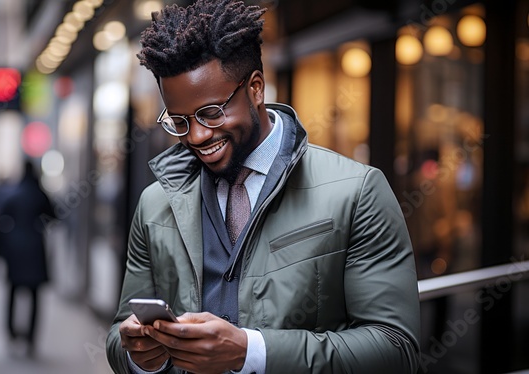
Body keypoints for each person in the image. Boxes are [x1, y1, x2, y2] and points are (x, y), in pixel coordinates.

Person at [106, 2, 420, 373]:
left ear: (256, 88)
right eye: (179, 121)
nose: (197, 135)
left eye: (211, 113)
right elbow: (119, 336)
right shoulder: (154, 204)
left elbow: (395, 350)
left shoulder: (357, 192)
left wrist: (250, 351)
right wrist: (139, 355)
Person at [0, 160, 56, 357]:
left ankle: (11, 333)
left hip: (15, 248)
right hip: (35, 247)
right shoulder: (40, 194)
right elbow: (54, 215)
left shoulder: (12, 193)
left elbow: (0, 218)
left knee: (12, 291)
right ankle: (31, 338)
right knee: (35, 296)